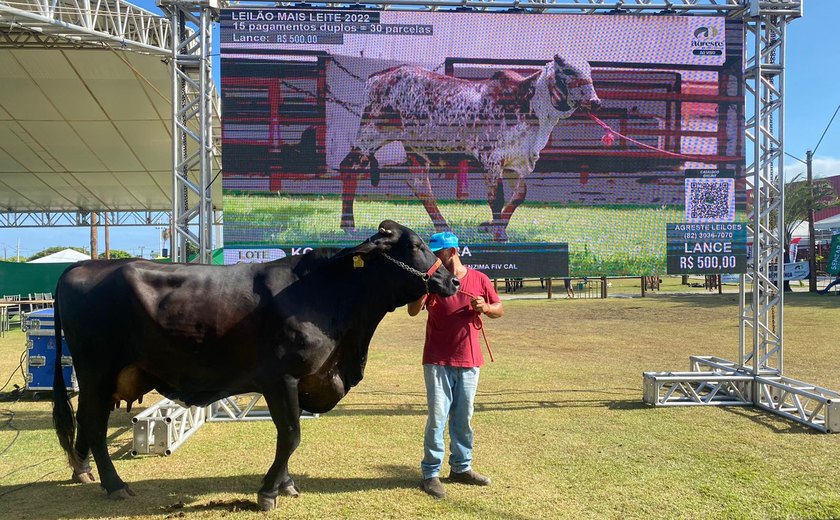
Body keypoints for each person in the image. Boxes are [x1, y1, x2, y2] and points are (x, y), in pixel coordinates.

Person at [407, 231, 504, 499]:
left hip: (470, 360)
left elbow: (499, 308)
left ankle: (461, 468)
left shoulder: (479, 279)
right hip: (437, 359)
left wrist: (485, 307)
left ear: (451, 252)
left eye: (437, 254)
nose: (433, 260)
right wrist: (423, 288)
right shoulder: (433, 280)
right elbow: (413, 311)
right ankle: (431, 473)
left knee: (463, 418)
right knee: (438, 418)